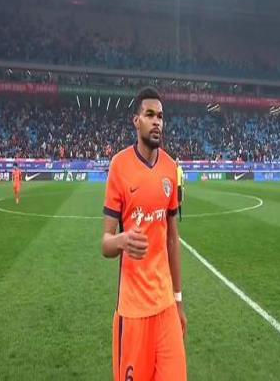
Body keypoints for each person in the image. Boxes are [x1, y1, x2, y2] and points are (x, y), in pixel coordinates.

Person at [101, 88, 187, 381]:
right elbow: (105, 243)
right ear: (136, 121)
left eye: (160, 116)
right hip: (133, 310)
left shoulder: (170, 167)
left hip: (166, 307)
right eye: (150, 115)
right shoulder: (119, 166)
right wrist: (122, 241)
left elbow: (172, 238)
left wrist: (178, 301)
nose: (157, 122)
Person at [176, 158, 185, 222]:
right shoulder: (173, 168)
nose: (177, 162)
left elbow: (182, 177)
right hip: (174, 187)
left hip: (179, 187)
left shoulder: (180, 168)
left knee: (179, 202)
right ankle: (173, 216)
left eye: (178, 161)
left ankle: (180, 215)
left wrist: (183, 185)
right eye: (176, 161)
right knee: (173, 203)